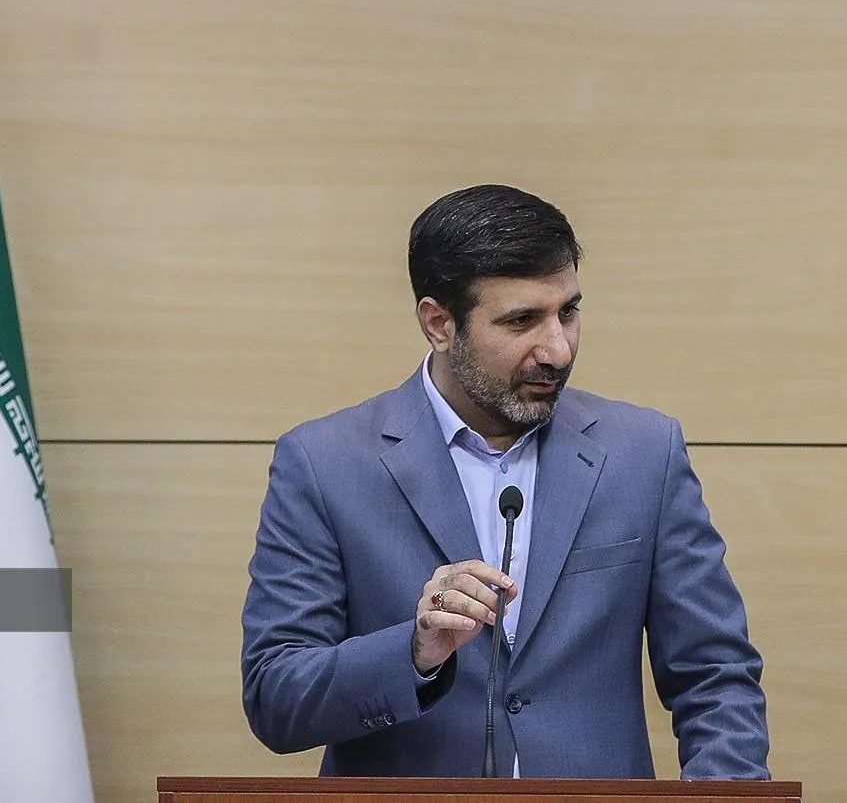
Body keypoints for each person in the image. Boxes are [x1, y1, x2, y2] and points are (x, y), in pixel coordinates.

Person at [241, 184, 769, 779]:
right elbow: (276, 698)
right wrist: (413, 652)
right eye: (522, 321)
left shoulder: (644, 453)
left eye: (568, 312)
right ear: (439, 324)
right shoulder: (324, 463)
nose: (558, 350)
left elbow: (716, 676)